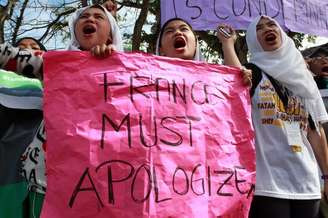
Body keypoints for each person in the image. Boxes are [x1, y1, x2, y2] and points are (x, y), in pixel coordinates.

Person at [218, 15, 328, 218]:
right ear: (252, 39)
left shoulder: (304, 78)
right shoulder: (252, 73)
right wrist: (228, 43)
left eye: (271, 25)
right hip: (267, 185)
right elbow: (234, 82)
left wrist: (327, 176)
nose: (267, 29)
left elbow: (315, 132)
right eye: (259, 28)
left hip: (308, 185)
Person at [0, 37, 45, 218]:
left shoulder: (57, 81)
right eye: (21, 48)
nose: (28, 51)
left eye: (34, 48)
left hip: (43, 178)